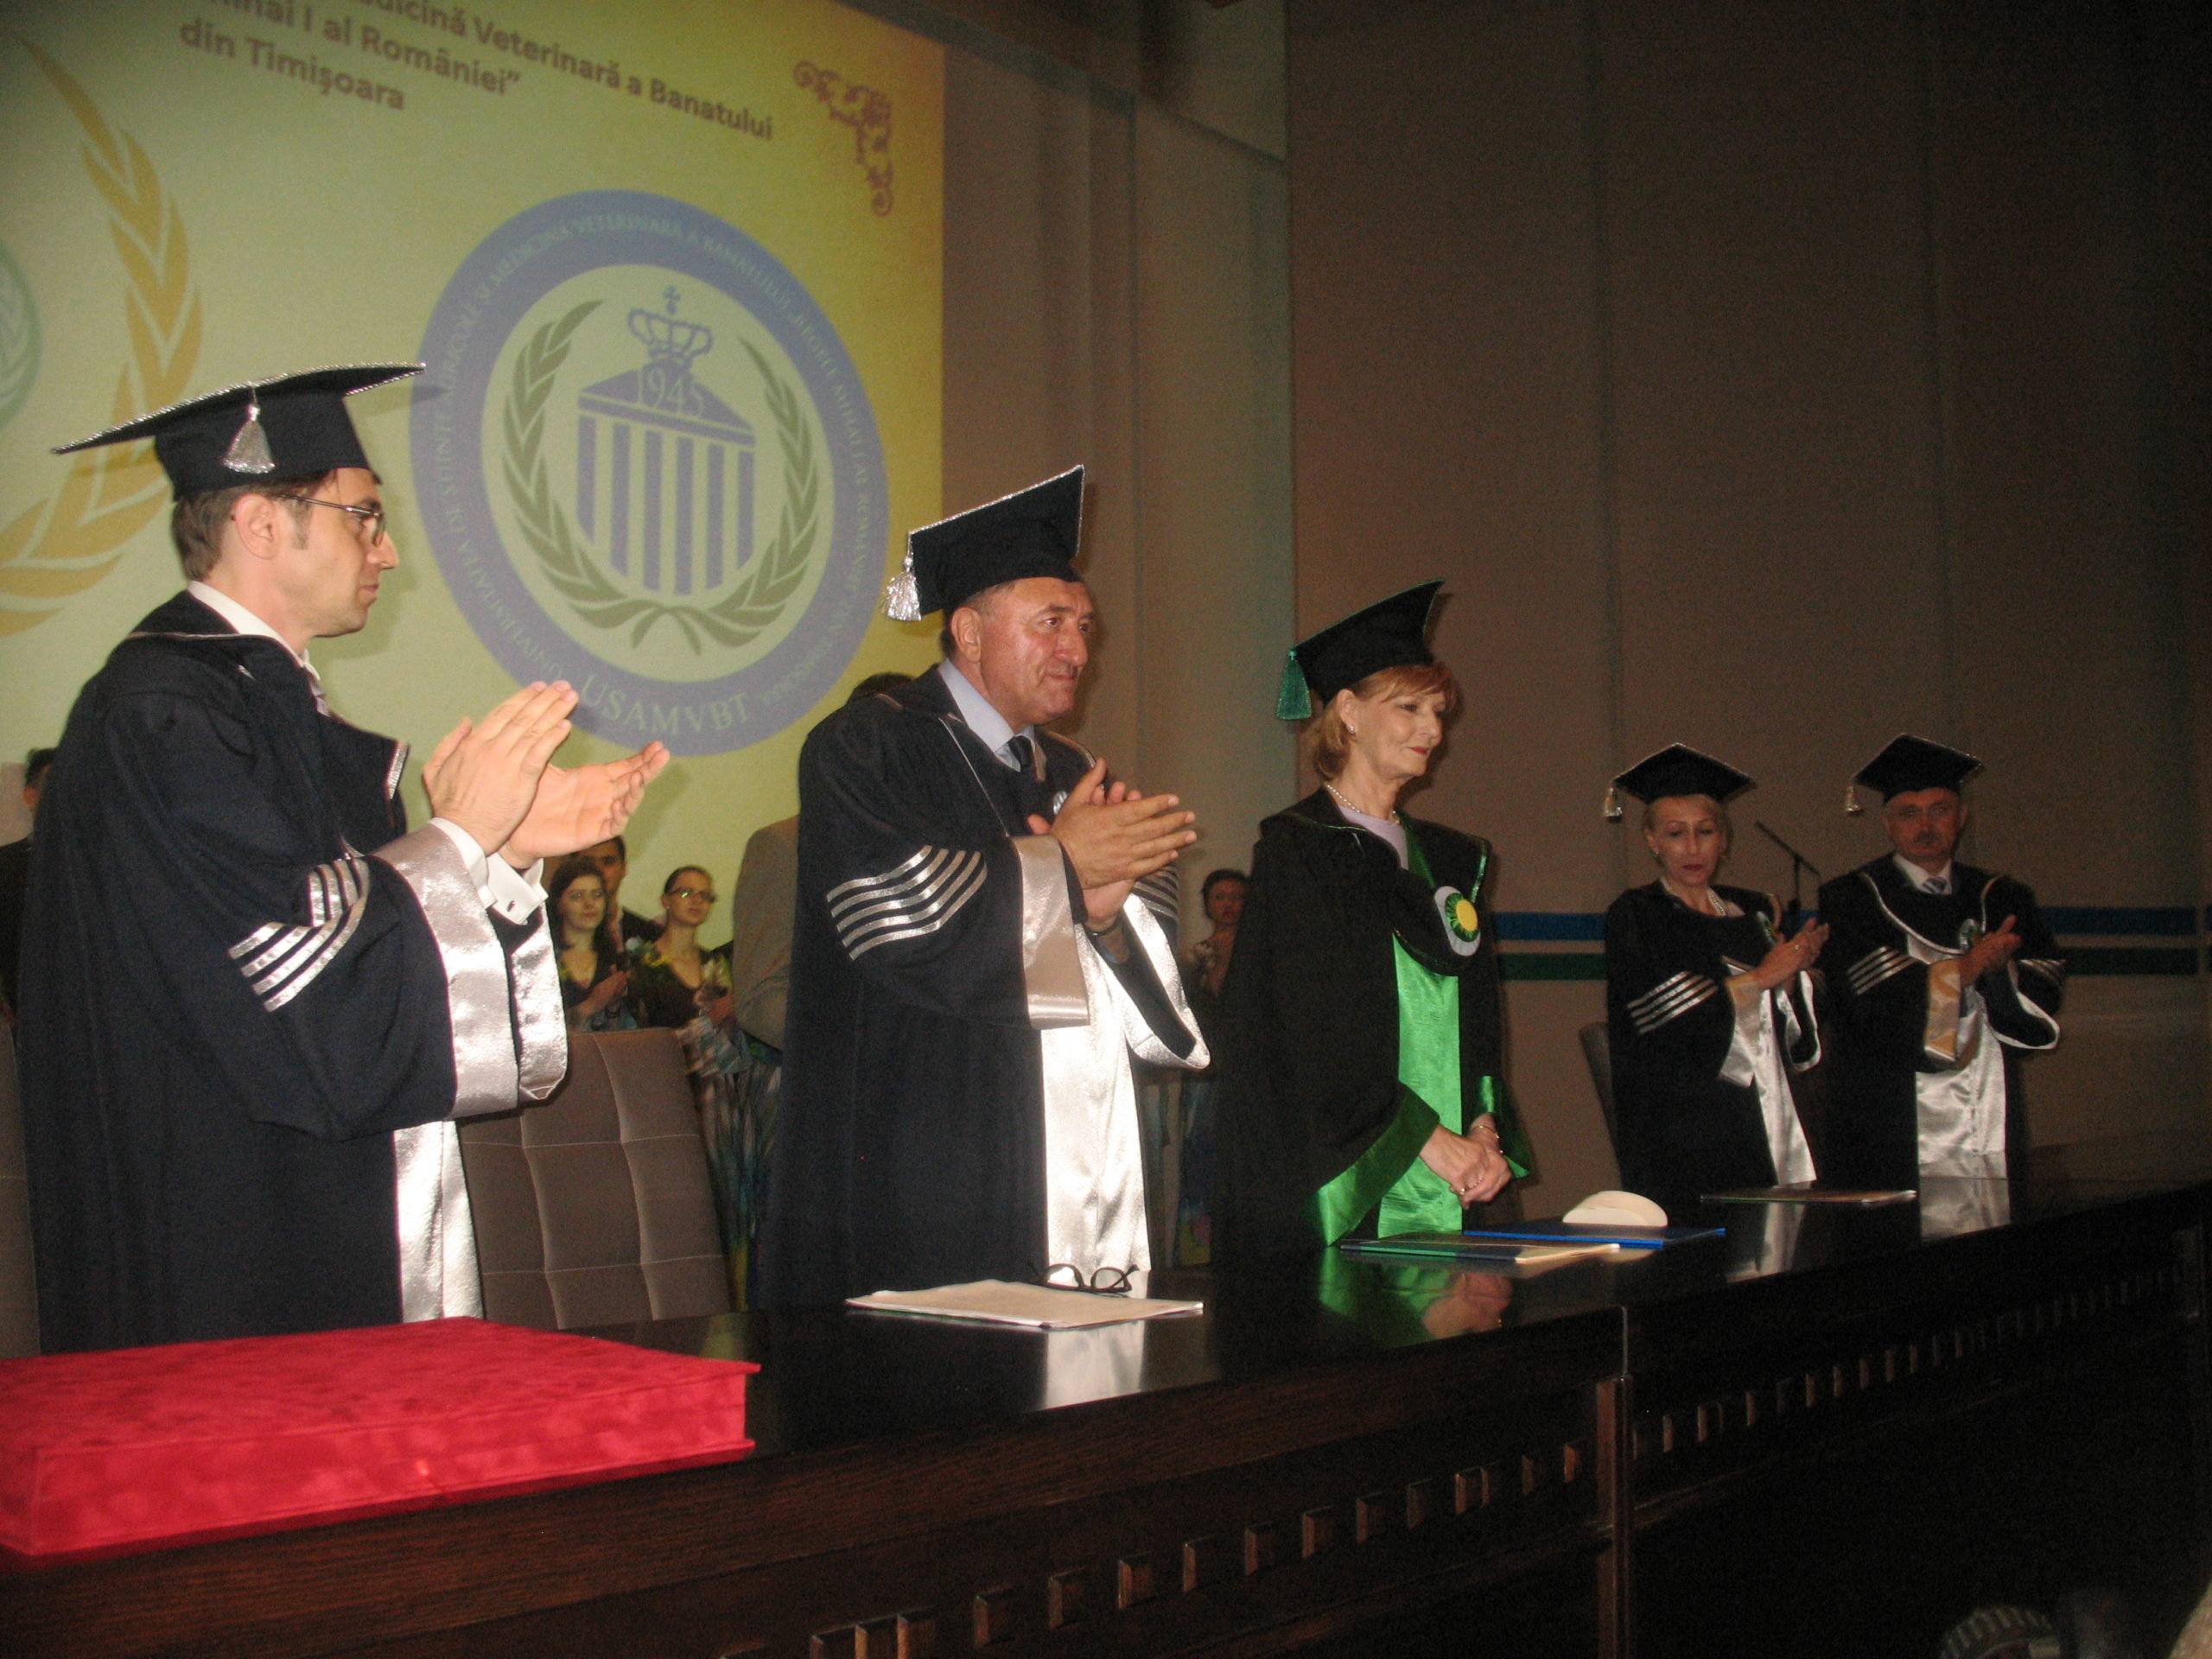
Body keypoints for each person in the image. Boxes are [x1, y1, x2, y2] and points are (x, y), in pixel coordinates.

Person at [18, 365, 668, 1351]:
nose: (389, 551)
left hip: (294, 1206)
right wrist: (457, 837)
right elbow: (301, 983)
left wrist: (497, 855)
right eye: (364, 517)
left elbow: (354, 937)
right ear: (260, 524)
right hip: (220, 1234)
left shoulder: (259, 707)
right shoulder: (161, 715)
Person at [760, 467, 1207, 1306]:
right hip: (913, 1157)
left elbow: (1146, 976)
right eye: (1051, 623)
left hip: (1067, 1165)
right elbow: (898, 923)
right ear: (968, 630)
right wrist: (1060, 868)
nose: (1079, 651)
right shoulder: (867, 746)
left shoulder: (1072, 770)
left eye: (1084, 626)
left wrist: (1106, 922)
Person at [1215, 582, 1533, 1262]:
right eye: (1410, 708)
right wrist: (1426, 1139)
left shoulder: (1453, 859)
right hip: (1353, 1178)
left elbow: (1479, 1017)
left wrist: (1483, 1130)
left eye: (1438, 712)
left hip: (1461, 1173)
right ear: (1349, 712)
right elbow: (1303, 1032)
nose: (1433, 731)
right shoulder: (1300, 850)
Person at [1818, 735, 2063, 1187]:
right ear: (1887, 824)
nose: (1926, 825)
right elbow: (1867, 1000)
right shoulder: (1852, 897)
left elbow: (2044, 979)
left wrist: (2001, 974)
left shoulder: (2004, 896)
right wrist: (1964, 972)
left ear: (1962, 817)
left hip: (1990, 1100)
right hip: (1887, 1104)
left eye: (1940, 810)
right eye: (1909, 813)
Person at [1600, 746, 1826, 1212]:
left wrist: (1792, 977)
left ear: (1723, 839)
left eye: (1705, 831)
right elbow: (1671, 1025)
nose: (1692, 848)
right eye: (1675, 833)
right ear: (1652, 840)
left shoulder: (1755, 912)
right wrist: (1764, 976)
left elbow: (1789, 1029)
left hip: (1768, 1110)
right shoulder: (1638, 915)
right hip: (1682, 1120)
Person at [1170, 868, 1245, 1262]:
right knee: (1200, 1151)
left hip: (1246, 1069)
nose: (1228, 905)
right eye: (1220, 897)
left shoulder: (1261, 951)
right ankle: (1199, 1248)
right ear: (1207, 904)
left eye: (1237, 897)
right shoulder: (1192, 955)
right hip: (1205, 1069)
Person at [549, 855, 638, 1032]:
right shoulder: (544, 960)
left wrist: (613, 1007)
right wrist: (591, 1004)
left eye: (597, 895)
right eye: (577, 896)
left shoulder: (615, 961)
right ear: (559, 904)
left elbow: (626, 1036)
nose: (589, 904)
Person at [0, 746, 54, 1018]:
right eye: (55, 784)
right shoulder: (6, 866)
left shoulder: (108, 864)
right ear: (30, 796)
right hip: (28, 1013)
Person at [579, 836, 662, 949]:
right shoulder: (556, 930)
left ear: (623, 868)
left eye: (608, 862)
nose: (598, 870)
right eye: (588, 863)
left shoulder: (651, 935)